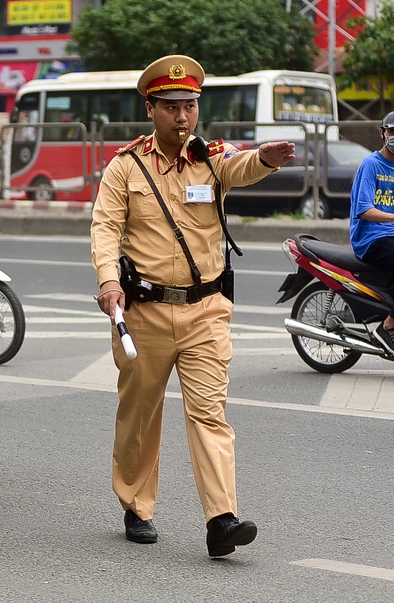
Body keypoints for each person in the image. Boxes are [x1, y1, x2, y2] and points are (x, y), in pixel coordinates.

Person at [90, 55, 296, 558]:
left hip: (207, 311)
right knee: (140, 416)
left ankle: (221, 518)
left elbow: (239, 166)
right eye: (172, 107)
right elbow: (104, 229)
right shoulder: (125, 167)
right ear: (151, 109)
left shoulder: (210, 157)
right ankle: (137, 505)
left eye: (190, 107)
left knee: (210, 414)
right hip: (145, 312)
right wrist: (109, 282)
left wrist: (265, 158)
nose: (183, 117)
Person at [350, 111, 394, 352]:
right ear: (382, 133)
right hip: (372, 237)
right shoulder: (372, 164)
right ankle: (387, 326)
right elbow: (365, 210)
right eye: (392, 131)